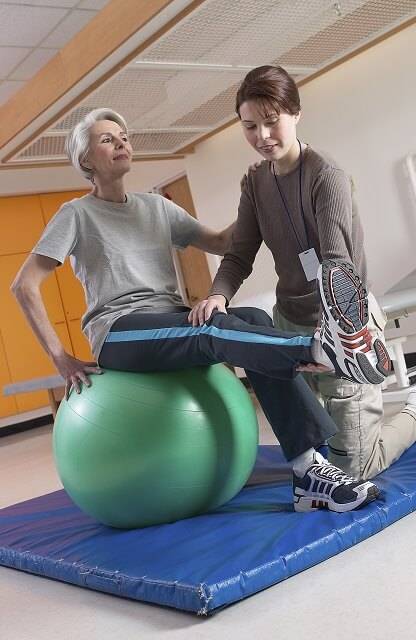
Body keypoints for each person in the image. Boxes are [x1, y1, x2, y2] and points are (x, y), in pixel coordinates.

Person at [12, 108, 382, 514]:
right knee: (211, 331)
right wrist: (61, 358)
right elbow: (24, 285)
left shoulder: (156, 207)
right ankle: (321, 349)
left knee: (255, 320)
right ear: (85, 160)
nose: (121, 143)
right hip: (120, 331)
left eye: (124, 136)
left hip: (171, 320)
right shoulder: (76, 215)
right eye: (107, 139)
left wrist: (255, 196)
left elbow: (223, 243)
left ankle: (309, 473)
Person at [189, 65, 416, 481]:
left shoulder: (325, 177)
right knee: (315, 452)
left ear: (295, 113)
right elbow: (239, 255)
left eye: (272, 122)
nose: (262, 137)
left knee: (356, 468)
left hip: (344, 328)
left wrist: (332, 342)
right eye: (250, 126)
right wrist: (218, 295)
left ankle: (414, 409)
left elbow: (337, 269)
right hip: (290, 326)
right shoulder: (254, 184)